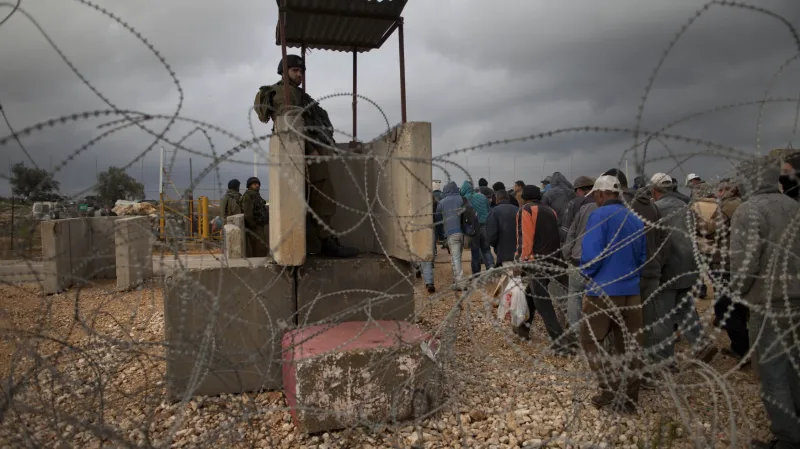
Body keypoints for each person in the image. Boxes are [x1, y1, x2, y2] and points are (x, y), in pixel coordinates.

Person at [253, 54, 357, 258]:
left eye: (301, 71)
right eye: (295, 71)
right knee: (324, 197)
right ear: (284, 71)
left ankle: (319, 243)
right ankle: (327, 243)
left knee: (315, 199)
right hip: (305, 153)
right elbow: (291, 124)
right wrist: (310, 149)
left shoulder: (296, 93)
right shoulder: (285, 93)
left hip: (305, 152)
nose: (299, 74)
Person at [729, 156, 800, 449]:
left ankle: (787, 438)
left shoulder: (748, 211)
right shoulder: (794, 206)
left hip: (768, 301)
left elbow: (745, 262)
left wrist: (737, 292)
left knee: (772, 372)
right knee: (794, 365)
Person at [579, 175, 647, 413]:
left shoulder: (598, 215)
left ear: (600, 194)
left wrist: (586, 273)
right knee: (629, 345)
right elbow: (642, 258)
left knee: (589, 339)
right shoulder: (635, 218)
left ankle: (609, 388)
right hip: (631, 291)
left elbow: (591, 256)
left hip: (603, 291)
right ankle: (629, 398)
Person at [650, 173, 718, 364]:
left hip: (669, 269)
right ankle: (701, 344)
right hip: (689, 266)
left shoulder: (657, 209)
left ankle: (666, 360)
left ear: (654, 190)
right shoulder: (686, 207)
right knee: (685, 308)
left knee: (663, 315)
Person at [692, 179, 748, 362]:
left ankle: (742, 349)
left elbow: (713, 229)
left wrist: (696, 223)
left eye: (722, 190)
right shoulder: (744, 204)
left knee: (725, 306)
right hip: (741, 260)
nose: (719, 193)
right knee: (738, 303)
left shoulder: (728, 207)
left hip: (725, 262)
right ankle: (744, 345)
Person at [514, 185, 573, 354]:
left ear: (524, 197)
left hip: (536, 262)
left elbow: (524, 239)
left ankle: (560, 343)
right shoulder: (549, 210)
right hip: (554, 259)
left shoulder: (525, 210)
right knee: (532, 294)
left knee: (543, 303)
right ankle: (523, 329)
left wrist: (519, 262)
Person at [561, 176, 596, 330]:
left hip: (577, 258)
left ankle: (576, 333)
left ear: (579, 190)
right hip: (599, 262)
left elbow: (568, 233)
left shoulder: (576, 204)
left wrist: (567, 255)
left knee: (574, 294)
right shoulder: (611, 205)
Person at [435, 181, 466, 290]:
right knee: (458, 257)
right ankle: (457, 280)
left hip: (450, 233)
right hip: (464, 233)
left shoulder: (442, 202)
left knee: (455, 258)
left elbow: (438, 219)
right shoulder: (462, 199)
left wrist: (440, 234)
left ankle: (461, 283)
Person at [461, 180, 494, 274]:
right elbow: (489, 210)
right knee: (486, 249)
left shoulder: (464, 199)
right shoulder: (482, 196)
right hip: (485, 225)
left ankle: (476, 272)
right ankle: (490, 267)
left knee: (475, 251)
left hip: (473, 227)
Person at [485, 190, 518, 267]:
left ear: (497, 199)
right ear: (508, 199)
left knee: (510, 277)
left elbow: (491, 235)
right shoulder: (518, 209)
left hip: (504, 253)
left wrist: (494, 245)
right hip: (519, 252)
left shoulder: (494, 211)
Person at [541, 172, 576, 242]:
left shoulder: (548, 193)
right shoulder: (573, 192)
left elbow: (543, 211)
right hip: (572, 227)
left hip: (555, 228)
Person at [241, 177, 269, 258]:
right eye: (254, 184)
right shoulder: (248, 196)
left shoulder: (256, 196)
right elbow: (248, 214)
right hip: (256, 228)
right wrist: (254, 226)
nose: (257, 186)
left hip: (261, 226)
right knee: (258, 249)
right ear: (249, 185)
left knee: (264, 248)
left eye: (258, 184)